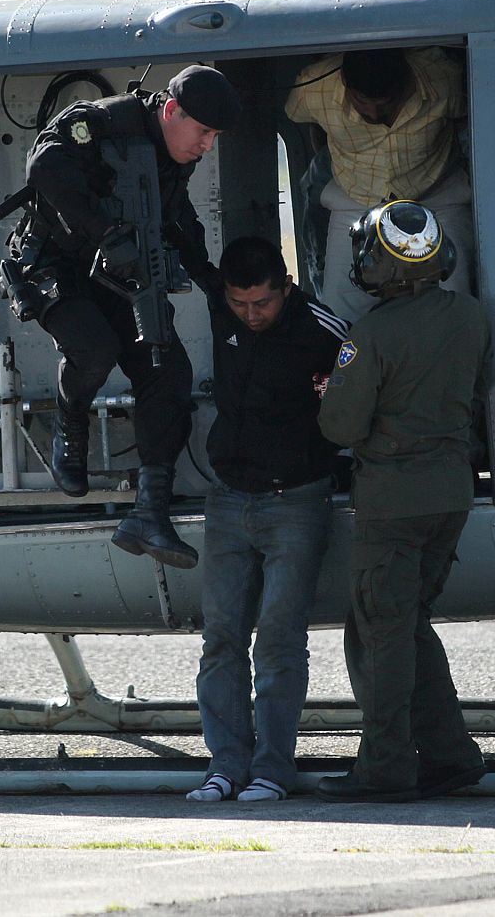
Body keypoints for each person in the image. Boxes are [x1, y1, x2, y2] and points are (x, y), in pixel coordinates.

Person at [6, 65, 241, 569]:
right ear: (172, 111)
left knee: (168, 371)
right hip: (56, 264)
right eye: (203, 132)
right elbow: (44, 167)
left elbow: (178, 217)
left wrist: (215, 284)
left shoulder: (176, 155)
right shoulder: (102, 123)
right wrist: (106, 232)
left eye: (215, 137)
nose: (206, 145)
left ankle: (149, 513)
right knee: (94, 350)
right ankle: (70, 425)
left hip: (121, 270)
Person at [314, 199, 490, 802]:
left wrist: (332, 391)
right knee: (409, 625)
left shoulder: (371, 336)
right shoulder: (471, 318)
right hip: (450, 494)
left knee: (382, 636)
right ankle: (450, 756)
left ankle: (385, 768)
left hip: (393, 502)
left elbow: (339, 427)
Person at [184, 236, 348, 803]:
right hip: (228, 499)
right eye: (239, 304)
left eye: (263, 303)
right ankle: (225, 765)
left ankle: (273, 769)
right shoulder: (220, 305)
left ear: (286, 287)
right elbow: (186, 249)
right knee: (221, 638)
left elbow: (361, 397)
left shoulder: (323, 330)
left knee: (278, 640)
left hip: (297, 501)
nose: (251, 315)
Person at [284, 47, 473, 324]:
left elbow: (467, 121)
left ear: (407, 80)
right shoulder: (314, 88)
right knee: (340, 307)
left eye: (386, 104)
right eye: (363, 102)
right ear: (346, 84)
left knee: (455, 297)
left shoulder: (444, 80)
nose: (374, 113)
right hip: (354, 198)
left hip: (437, 194)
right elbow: (304, 120)